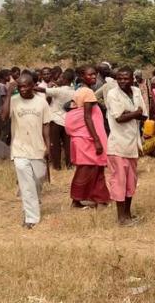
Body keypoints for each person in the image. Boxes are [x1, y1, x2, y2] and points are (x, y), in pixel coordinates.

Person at [2, 74, 51, 229]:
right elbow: (3, 117)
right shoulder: (14, 101)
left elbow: (46, 125)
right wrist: (9, 94)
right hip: (19, 148)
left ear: (33, 85)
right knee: (26, 183)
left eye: (25, 86)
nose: (22, 89)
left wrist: (48, 146)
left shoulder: (41, 102)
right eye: (20, 87)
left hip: (37, 147)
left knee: (37, 180)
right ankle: (31, 217)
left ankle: (33, 203)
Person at [64, 65, 110, 208]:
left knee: (89, 168)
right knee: (91, 168)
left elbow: (71, 107)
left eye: (94, 74)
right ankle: (84, 198)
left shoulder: (79, 91)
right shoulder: (88, 92)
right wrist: (96, 140)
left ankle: (94, 199)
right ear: (82, 76)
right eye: (90, 75)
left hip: (82, 136)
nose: (94, 77)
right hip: (88, 138)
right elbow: (87, 117)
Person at [105, 67, 146, 225]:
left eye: (126, 78)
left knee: (131, 182)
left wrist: (132, 113)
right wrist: (134, 113)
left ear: (132, 79)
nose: (122, 81)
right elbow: (119, 118)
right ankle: (121, 218)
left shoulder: (136, 91)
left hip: (132, 144)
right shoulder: (112, 94)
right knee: (119, 182)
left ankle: (128, 215)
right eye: (120, 78)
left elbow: (143, 113)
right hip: (118, 145)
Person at [41, 69, 75, 170]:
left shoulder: (58, 90)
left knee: (55, 145)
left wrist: (49, 87)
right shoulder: (73, 91)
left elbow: (41, 90)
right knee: (67, 144)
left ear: (64, 79)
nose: (59, 79)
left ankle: (56, 166)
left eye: (61, 78)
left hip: (55, 120)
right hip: (68, 120)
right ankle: (69, 165)